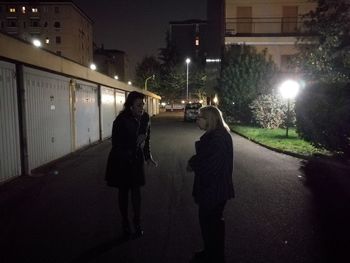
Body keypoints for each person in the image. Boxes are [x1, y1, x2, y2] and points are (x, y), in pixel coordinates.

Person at [105, 91, 157, 240]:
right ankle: (125, 222)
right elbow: (116, 143)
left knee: (136, 192)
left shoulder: (146, 118)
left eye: (143, 105)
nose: (142, 108)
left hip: (136, 160)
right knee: (123, 192)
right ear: (130, 106)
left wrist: (148, 157)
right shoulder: (121, 120)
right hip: (121, 161)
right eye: (138, 105)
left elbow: (146, 140)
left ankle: (137, 222)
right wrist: (131, 146)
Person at [187, 106, 235, 263]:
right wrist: (194, 161)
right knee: (212, 223)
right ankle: (212, 252)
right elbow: (206, 158)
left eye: (200, 117)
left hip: (213, 190)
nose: (197, 119)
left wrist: (194, 163)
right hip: (215, 189)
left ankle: (214, 256)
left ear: (210, 120)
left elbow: (210, 165)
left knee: (210, 224)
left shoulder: (217, 138)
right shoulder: (216, 136)